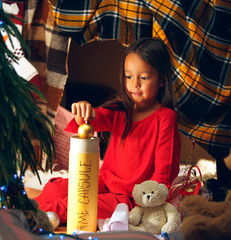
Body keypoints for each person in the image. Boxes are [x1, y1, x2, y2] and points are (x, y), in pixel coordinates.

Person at [34, 38, 181, 224]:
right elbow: (92, 119)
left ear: (161, 79)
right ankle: (26, 207)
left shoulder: (165, 117)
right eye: (128, 76)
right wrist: (84, 111)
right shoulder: (120, 110)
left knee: (76, 205)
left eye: (143, 77)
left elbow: (163, 173)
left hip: (131, 199)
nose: (134, 84)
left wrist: (148, 204)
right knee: (56, 189)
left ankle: (29, 215)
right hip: (104, 182)